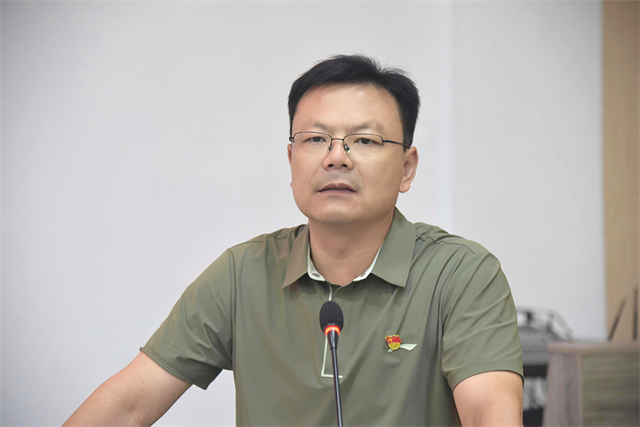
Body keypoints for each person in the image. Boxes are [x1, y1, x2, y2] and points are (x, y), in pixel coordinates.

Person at [64, 55, 523, 426]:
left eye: (364, 141)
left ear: (407, 168)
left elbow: (490, 415)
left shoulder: (461, 274)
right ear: (291, 160)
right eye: (316, 139)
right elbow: (128, 406)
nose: (336, 157)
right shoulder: (243, 274)